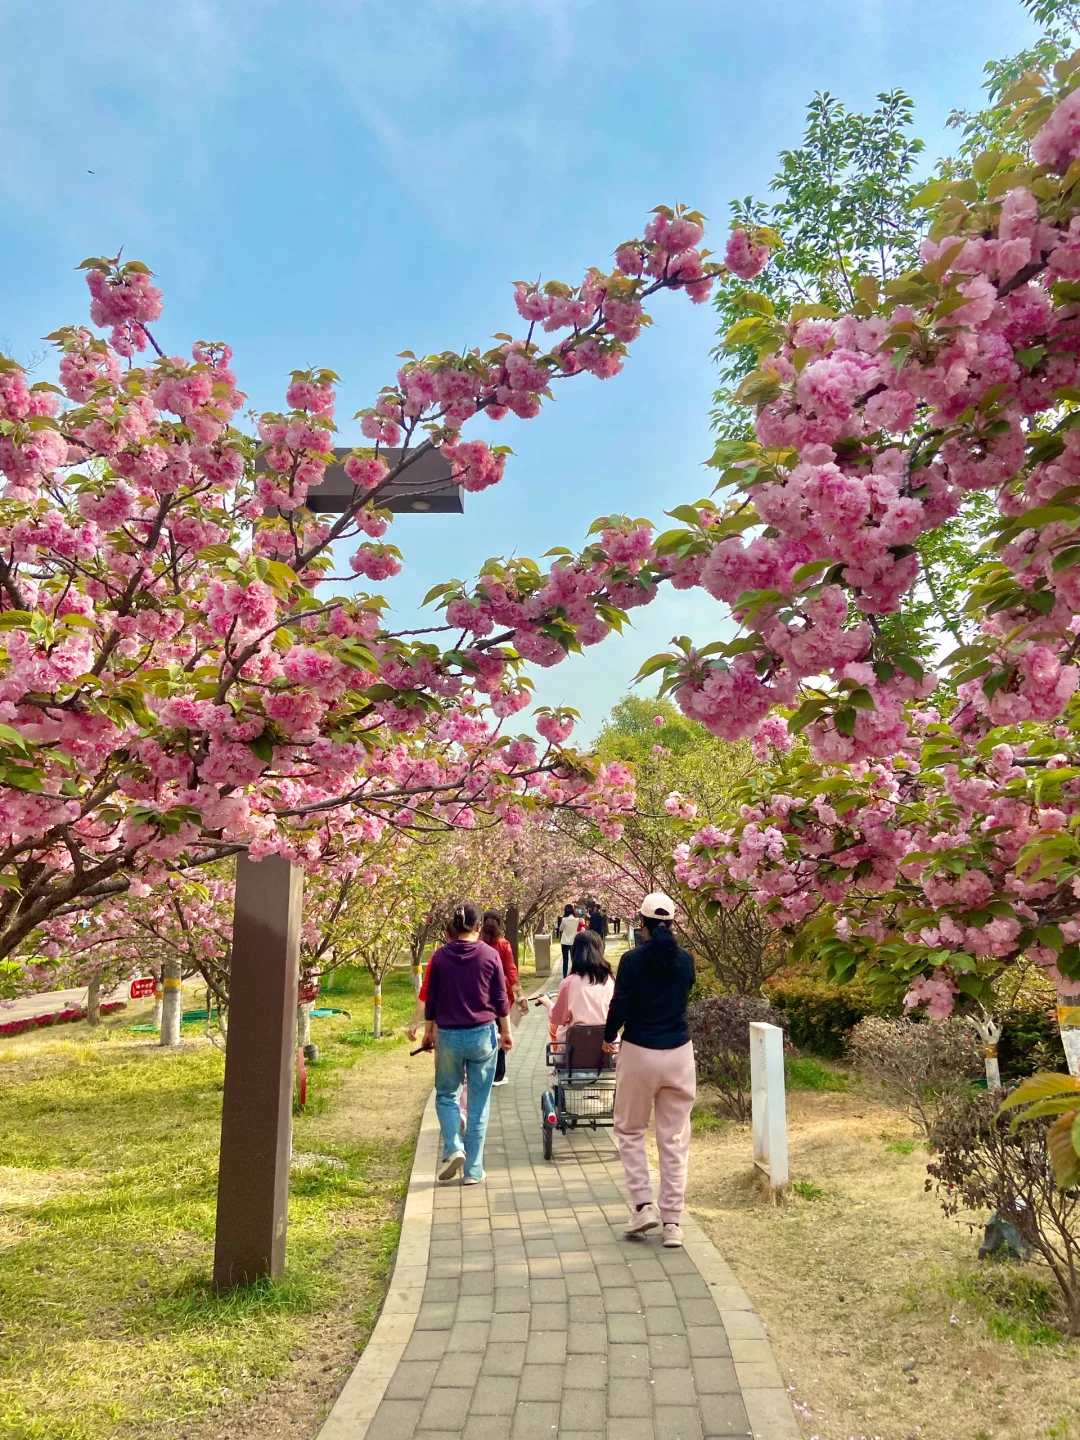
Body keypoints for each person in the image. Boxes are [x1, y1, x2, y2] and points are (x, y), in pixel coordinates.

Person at [603, 892, 695, 1249]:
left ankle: (643, 1206)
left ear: (641, 922)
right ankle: (672, 1223)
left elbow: (621, 1005)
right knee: (674, 1139)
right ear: (672, 923)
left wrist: (608, 1036)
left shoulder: (631, 961)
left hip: (639, 1051)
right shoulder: (685, 961)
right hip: (679, 1053)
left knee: (630, 1130)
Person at [424, 900, 512, 1184]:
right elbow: (500, 998)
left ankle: (454, 1147)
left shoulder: (440, 956)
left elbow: (432, 999)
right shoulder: (490, 955)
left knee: (446, 1095)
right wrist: (506, 1031)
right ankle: (473, 1171)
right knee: (478, 1103)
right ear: (478, 926)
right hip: (482, 1035)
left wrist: (428, 1031)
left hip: (449, 1035)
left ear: (454, 926)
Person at [539, 929, 614, 1043]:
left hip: (575, 1046)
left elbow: (558, 1018)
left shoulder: (569, 982)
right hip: (607, 1044)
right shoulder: (610, 979)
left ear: (575, 952)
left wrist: (548, 1004)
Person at [482, 909, 529, 1086]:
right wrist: (519, 995)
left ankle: (485, 1072)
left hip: (481, 994)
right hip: (501, 995)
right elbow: (511, 971)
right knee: (502, 1032)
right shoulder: (503, 944)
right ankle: (498, 1074)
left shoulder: (478, 944)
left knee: (485, 1032)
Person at [557, 904, 579, 978]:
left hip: (565, 942)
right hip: (573, 942)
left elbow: (560, 929)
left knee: (565, 960)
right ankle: (574, 975)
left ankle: (565, 976)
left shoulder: (564, 920)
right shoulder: (576, 920)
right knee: (573, 959)